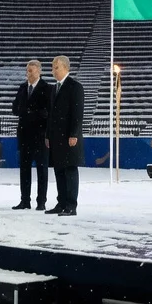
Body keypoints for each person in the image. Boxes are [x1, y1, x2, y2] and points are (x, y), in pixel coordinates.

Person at [46, 55, 85, 216]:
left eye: (56, 67)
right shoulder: (55, 88)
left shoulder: (75, 86)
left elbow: (77, 113)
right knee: (59, 171)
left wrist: (73, 134)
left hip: (69, 137)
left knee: (69, 170)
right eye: (52, 67)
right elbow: (51, 114)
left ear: (66, 68)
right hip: (56, 138)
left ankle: (71, 205)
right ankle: (61, 202)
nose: (53, 70)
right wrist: (48, 135)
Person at [11, 59, 52, 210]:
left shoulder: (47, 88)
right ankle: (25, 200)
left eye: (32, 70)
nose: (29, 73)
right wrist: (26, 111)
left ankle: (41, 201)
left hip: (40, 136)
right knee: (24, 169)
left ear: (39, 71)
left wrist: (30, 113)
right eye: (27, 70)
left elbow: (47, 112)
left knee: (42, 169)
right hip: (24, 135)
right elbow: (15, 108)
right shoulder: (22, 88)